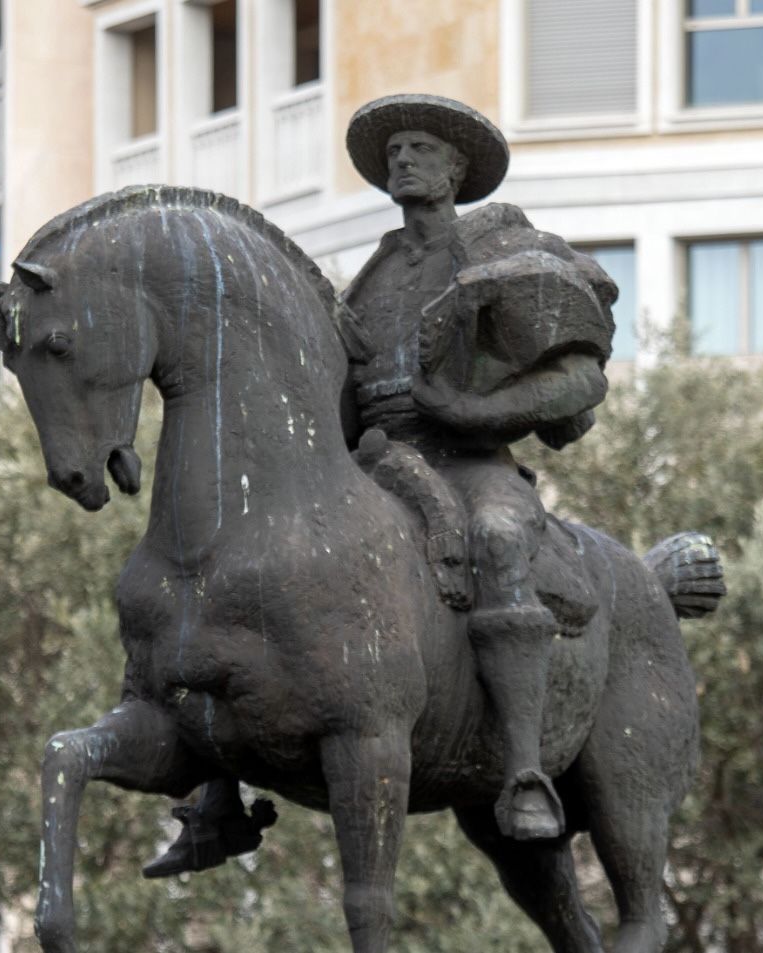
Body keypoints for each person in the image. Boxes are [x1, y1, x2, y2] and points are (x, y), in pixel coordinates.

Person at [142, 94, 615, 878]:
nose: (402, 160)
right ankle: (212, 795)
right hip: (374, 464)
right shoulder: (374, 273)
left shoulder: (501, 249)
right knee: (247, 566)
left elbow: (577, 382)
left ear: (457, 169)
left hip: (469, 464)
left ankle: (527, 771)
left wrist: (472, 407)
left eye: (420, 147)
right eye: (394, 149)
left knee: (498, 540)